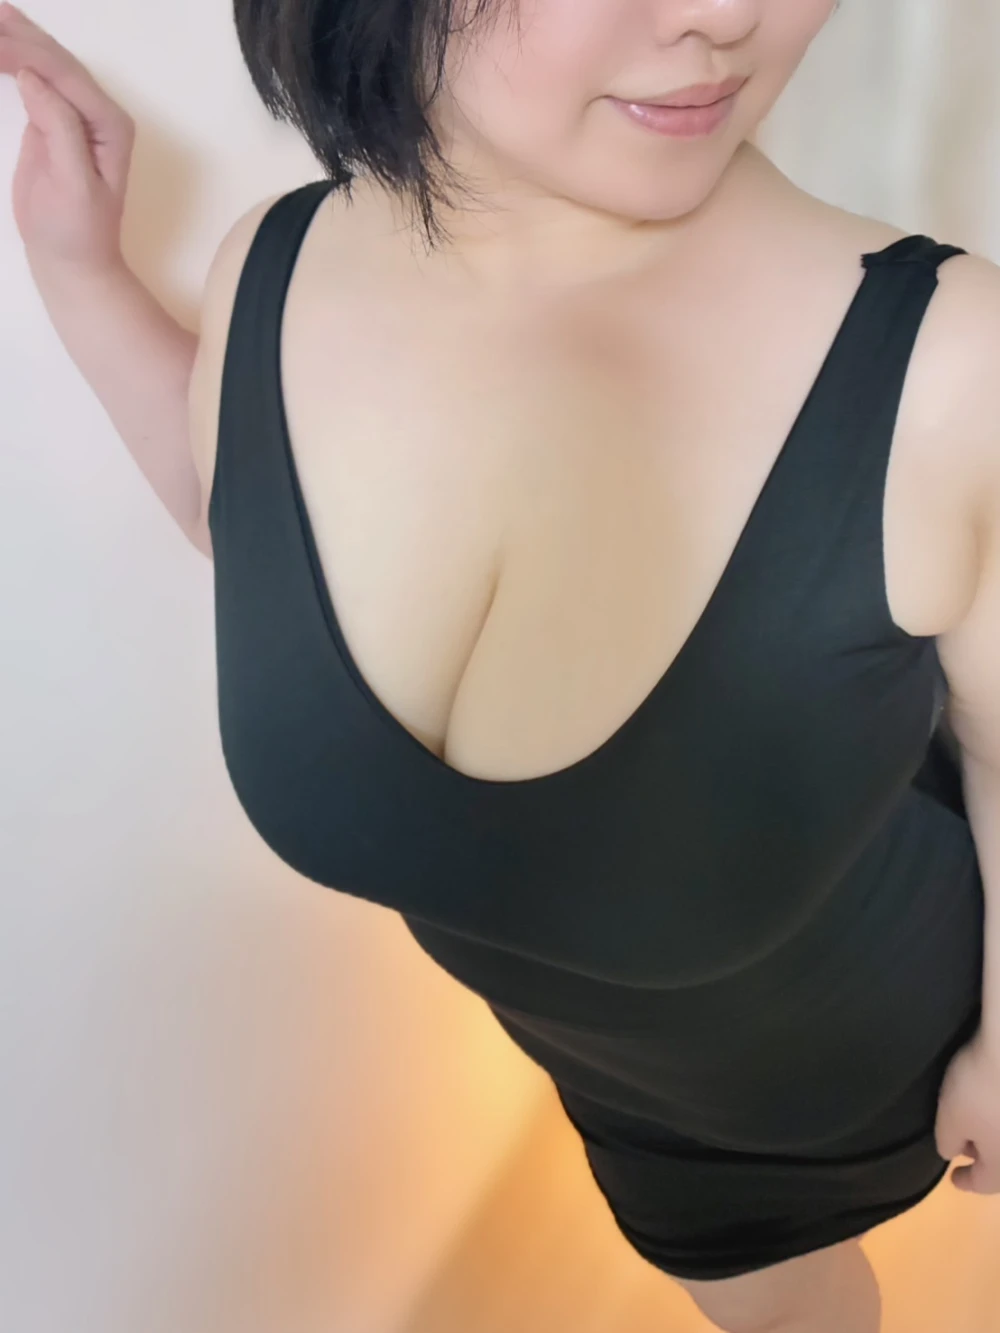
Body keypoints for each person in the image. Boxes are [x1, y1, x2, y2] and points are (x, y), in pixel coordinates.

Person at [4, 3, 1000, 1331]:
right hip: (621, 1084)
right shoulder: (275, 267)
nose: (727, 14)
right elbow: (247, 519)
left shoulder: (954, 366)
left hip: (888, 1035)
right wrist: (80, 273)